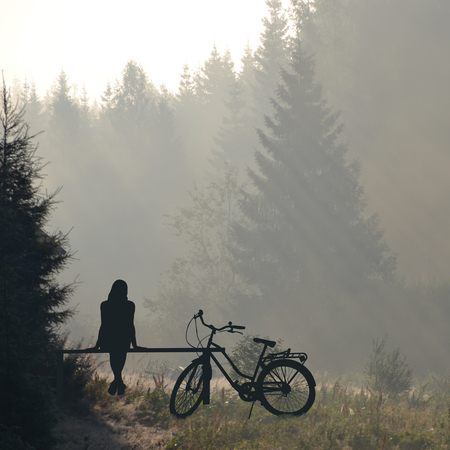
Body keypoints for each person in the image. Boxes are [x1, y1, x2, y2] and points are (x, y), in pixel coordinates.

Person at [93, 280, 139, 395]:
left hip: (108, 340)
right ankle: (118, 381)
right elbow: (130, 325)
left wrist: (97, 345)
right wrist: (134, 344)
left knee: (114, 353)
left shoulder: (105, 305)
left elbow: (104, 325)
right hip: (124, 339)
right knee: (121, 352)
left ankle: (117, 381)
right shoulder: (130, 305)